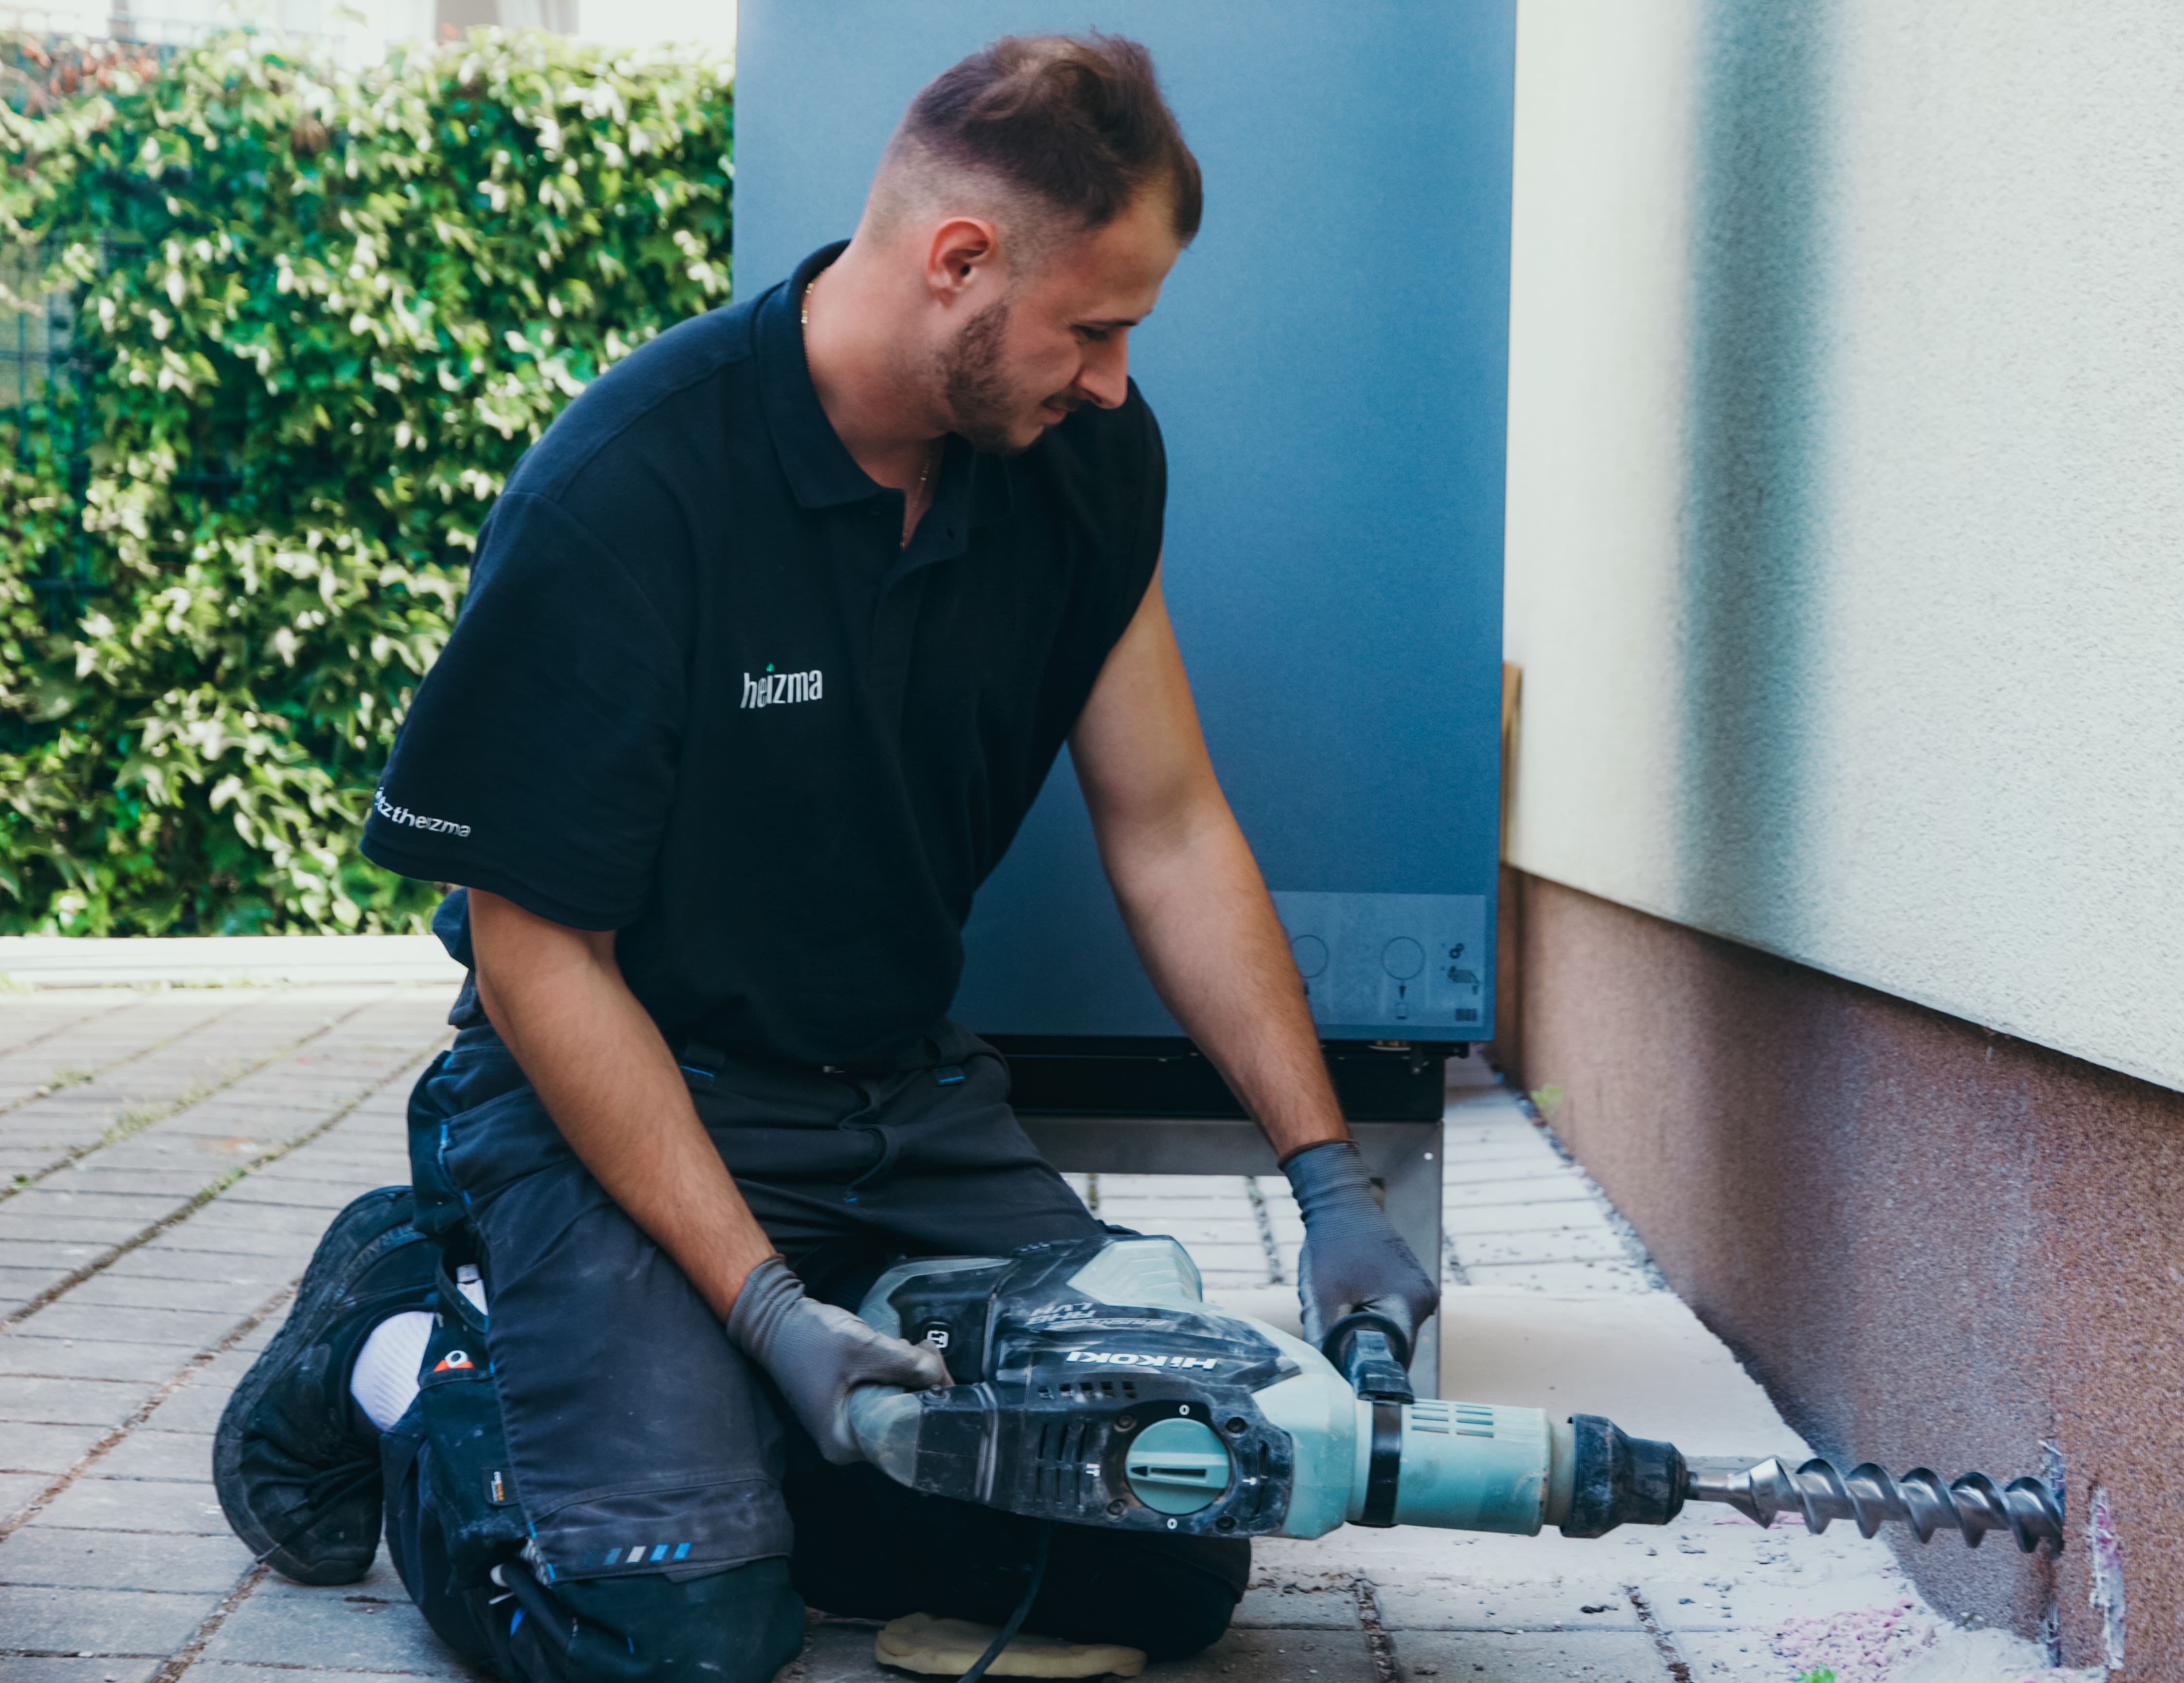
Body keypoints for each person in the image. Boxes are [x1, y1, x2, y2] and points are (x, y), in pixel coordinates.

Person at [210, 32, 1437, 1683]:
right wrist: (768, 1309)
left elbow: (1167, 828)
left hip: (901, 1105)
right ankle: (399, 1335)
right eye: (1096, 326)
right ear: (959, 263)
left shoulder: (1082, 470)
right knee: (672, 1633)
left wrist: (1330, 1181)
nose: (1113, 380)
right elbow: (534, 953)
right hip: (621, 1100)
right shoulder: (633, 489)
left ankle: (729, 1443)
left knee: (1165, 1557)